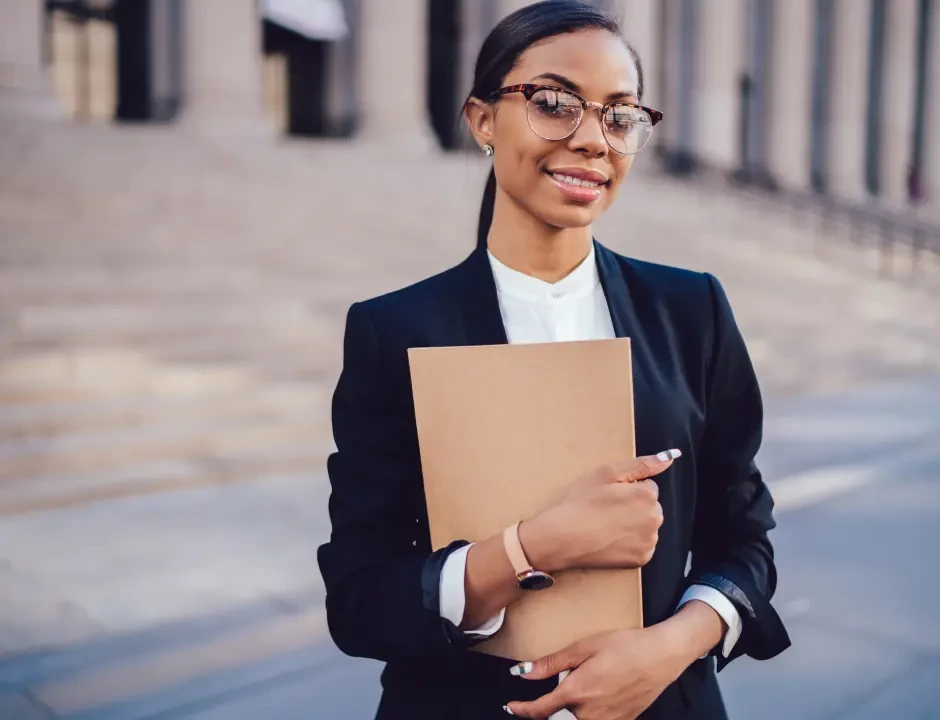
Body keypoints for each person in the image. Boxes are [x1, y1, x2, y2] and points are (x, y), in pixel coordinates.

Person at [317, 2, 791, 718]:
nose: (593, 139)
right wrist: (531, 547)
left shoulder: (692, 312)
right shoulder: (394, 331)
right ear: (482, 120)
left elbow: (745, 540)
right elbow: (359, 600)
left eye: (620, 114)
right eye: (552, 103)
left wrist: (669, 648)